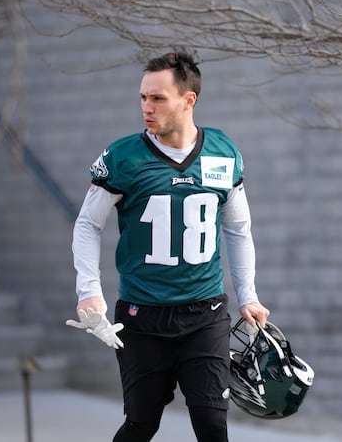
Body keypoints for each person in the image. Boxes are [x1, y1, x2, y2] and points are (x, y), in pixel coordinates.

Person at [68, 50, 270, 442]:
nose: (147, 107)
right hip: (142, 316)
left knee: (212, 425)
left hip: (205, 313)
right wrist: (89, 290)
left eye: (157, 98)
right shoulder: (123, 157)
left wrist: (248, 296)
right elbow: (88, 223)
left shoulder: (222, 152)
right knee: (142, 423)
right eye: (143, 97)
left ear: (188, 100)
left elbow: (238, 228)